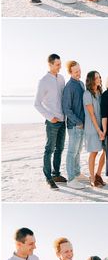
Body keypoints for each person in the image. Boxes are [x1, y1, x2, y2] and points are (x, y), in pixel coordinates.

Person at [34, 53, 66, 189]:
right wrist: (50, 117)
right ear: (50, 64)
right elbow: (37, 103)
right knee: (49, 149)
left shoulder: (62, 79)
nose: (60, 67)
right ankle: (48, 178)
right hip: (52, 122)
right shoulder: (43, 81)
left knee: (60, 148)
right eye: (57, 64)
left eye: (60, 64)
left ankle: (56, 174)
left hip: (63, 120)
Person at [62, 61, 86, 189]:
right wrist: (78, 122)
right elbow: (66, 108)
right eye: (76, 71)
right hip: (74, 125)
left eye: (79, 70)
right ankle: (71, 179)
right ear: (70, 72)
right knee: (72, 152)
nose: (79, 73)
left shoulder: (81, 84)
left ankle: (77, 173)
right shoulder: (69, 86)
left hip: (82, 125)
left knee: (78, 151)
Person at [83, 71, 106, 187]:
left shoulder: (100, 93)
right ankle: (92, 178)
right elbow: (92, 115)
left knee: (106, 151)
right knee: (94, 152)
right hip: (92, 127)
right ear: (91, 79)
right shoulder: (87, 94)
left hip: (101, 126)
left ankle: (98, 174)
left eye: (99, 77)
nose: (99, 79)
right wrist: (98, 130)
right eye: (96, 77)